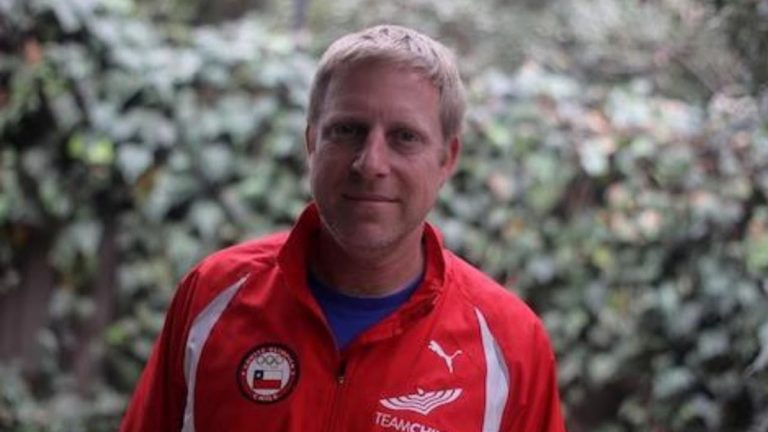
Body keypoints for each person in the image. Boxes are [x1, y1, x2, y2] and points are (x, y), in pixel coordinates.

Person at [120, 24, 566, 432]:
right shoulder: (212, 295)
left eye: (404, 137)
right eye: (347, 130)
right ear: (312, 142)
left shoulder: (511, 345)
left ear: (446, 158)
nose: (370, 163)